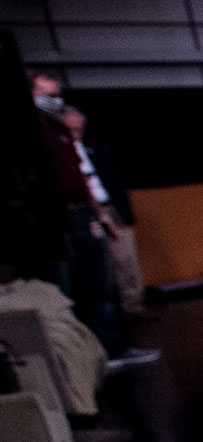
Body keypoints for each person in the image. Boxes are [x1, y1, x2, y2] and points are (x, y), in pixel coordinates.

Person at [29, 74, 152, 366]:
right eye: (46, 94)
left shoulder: (59, 131)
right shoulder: (38, 134)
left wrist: (101, 216)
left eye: (56, 94)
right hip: (63, 219)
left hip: (86, 214)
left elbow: (84, 180)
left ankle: (112, 348)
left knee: (101, 286)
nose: (54, 101)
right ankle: (77, 358)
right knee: (73, 290)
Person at [61, 105, 147, 320]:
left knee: (126, 259)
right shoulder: (61, 154)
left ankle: (133, 307)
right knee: (99, 268)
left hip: (110, 206)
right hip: (85, 213)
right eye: (71, 130)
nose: (76, 134)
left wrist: (125, 208)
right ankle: (109, 315)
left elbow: (116, 180)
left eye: (79, 129)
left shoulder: (96, 149)